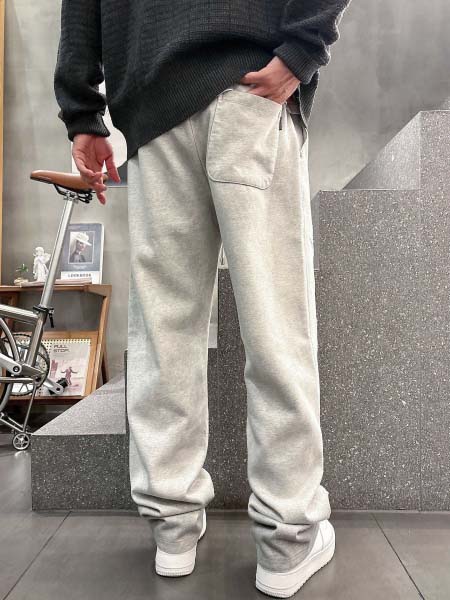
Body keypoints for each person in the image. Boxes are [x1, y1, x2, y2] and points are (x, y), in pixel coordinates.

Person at [54, 1, 351, 596]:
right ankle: (287, 541)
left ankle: (172, 528)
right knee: (276, 328)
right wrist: (301, 50)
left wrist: (83, 112)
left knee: (164, 334)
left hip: (155, 107)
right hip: (250, 88)